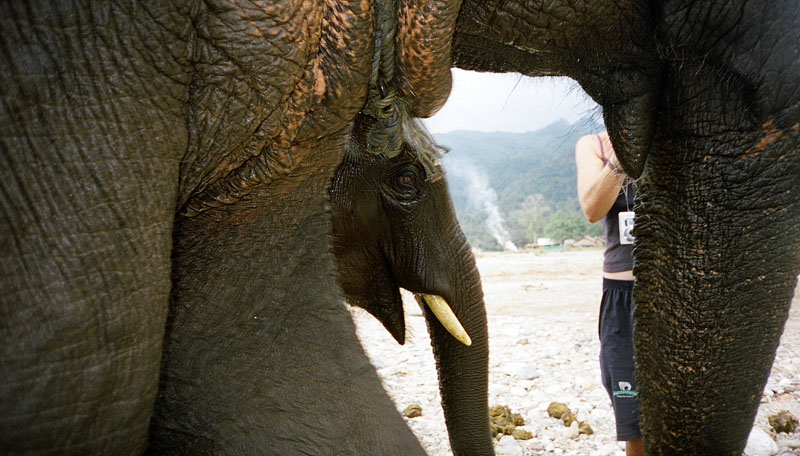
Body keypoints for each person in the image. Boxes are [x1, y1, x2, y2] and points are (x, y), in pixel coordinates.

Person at [575, 130, 644, 456]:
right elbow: (592, 209)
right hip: (622, 294)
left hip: (677, 288)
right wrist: (622, 154)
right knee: (634, 419)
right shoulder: (594, 145)